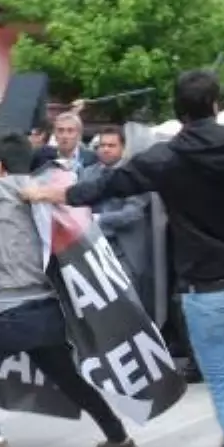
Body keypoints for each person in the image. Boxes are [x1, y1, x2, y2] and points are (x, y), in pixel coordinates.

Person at [24, 68, 224, 447]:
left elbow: (105, 185)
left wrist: (52, 195)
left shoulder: (165, 157)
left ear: (179, 111)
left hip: (206, 290)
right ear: (215, 105)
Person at [0, 133, 135, 447]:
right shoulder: (45, 192)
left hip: (17, 311)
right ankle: (117, 435)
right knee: (67, 377)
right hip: (51, 309)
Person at [80, 127, 153, 314]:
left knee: (129, 306)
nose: (105, 149)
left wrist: (99, 219)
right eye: (102, 145)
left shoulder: (135, 174)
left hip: (124, 250)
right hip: (92, 250)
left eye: (111, 145)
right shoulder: (87, 174)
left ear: (123, 148)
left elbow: (133, 212)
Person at [33, 112, 97, 173]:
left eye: (70, 131)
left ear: (79, 135)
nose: (65, 136)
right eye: (60, 130)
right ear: (54, 134)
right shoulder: (42, 157)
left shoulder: (91, 158)